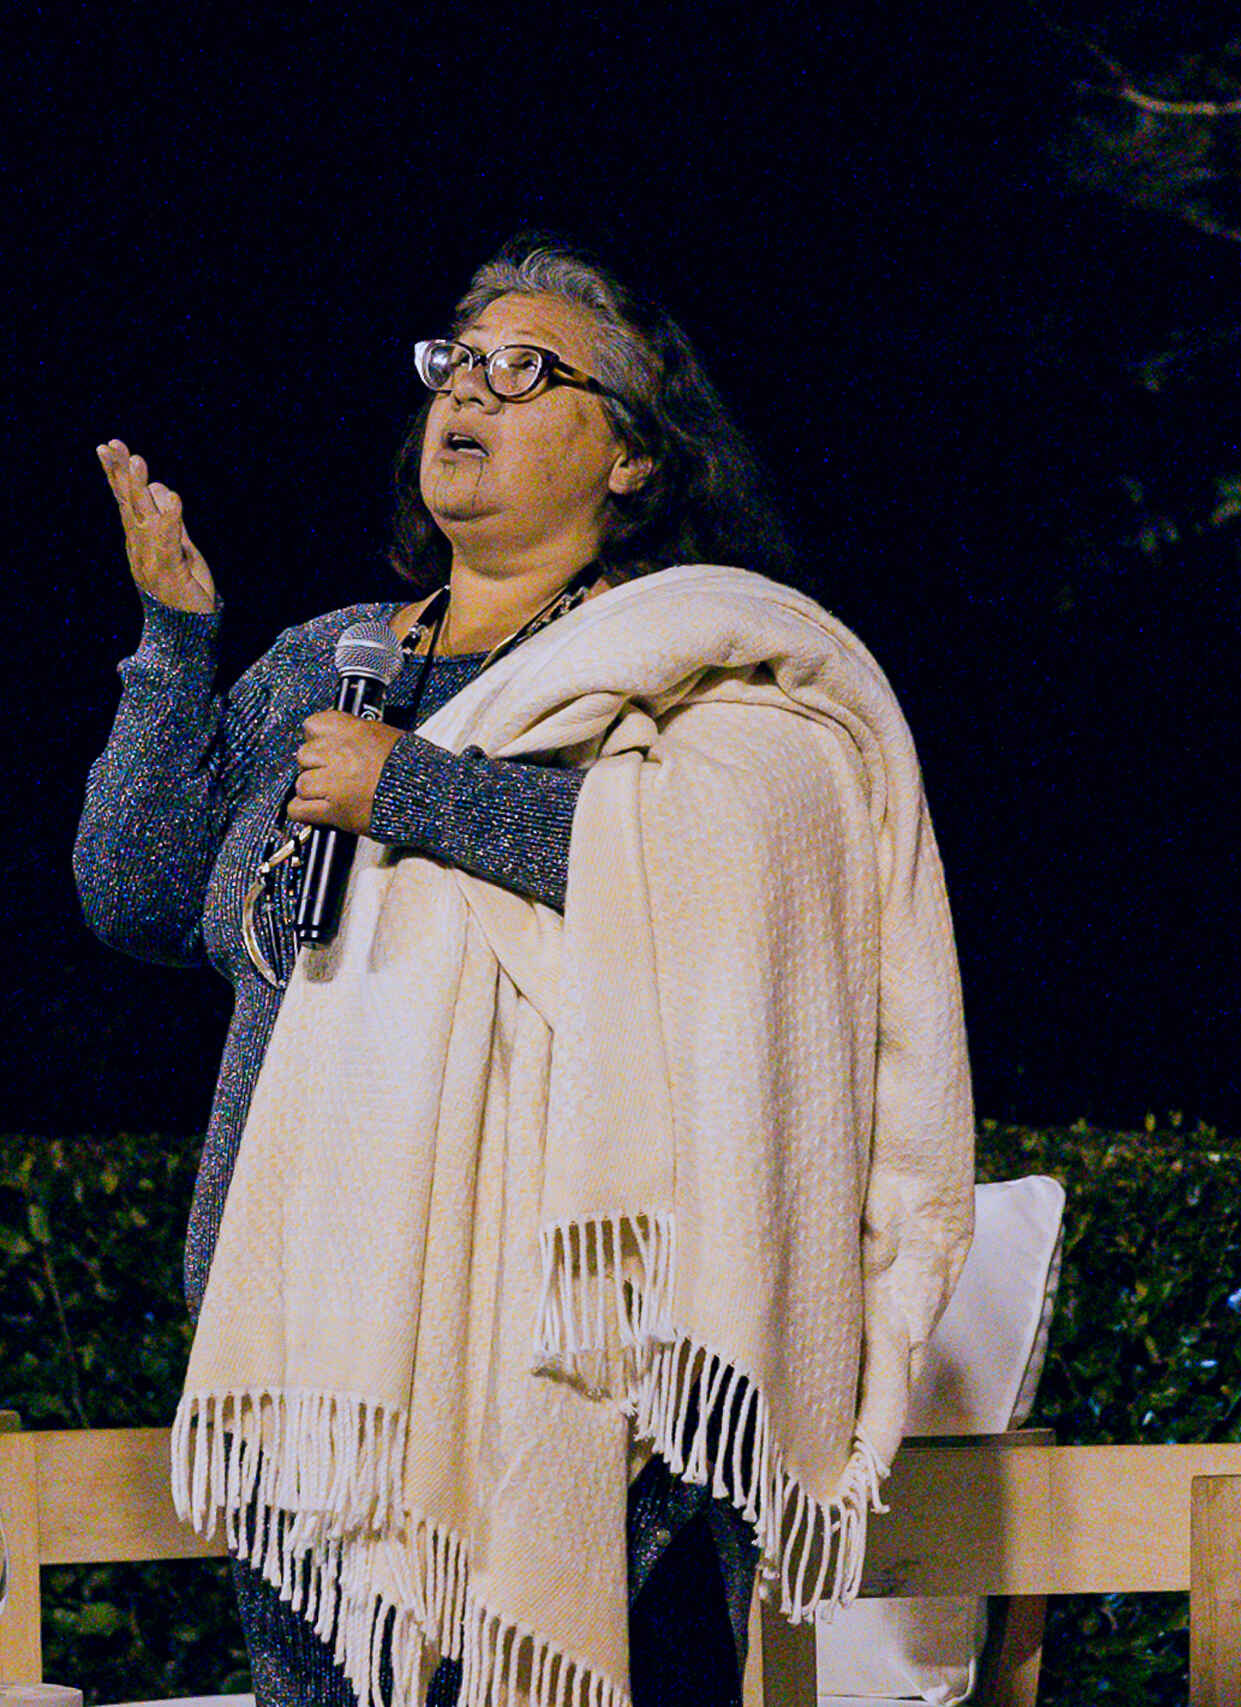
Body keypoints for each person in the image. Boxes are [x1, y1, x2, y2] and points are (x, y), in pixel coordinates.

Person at [75, 236, 977, 1707]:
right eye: (455, 360)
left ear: (633, 455)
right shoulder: (332, 659)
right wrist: (176, 639)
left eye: (527, 368)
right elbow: (139, 890)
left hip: (587, 1383)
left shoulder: (701, 668)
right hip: (313, 1360)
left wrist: (415, 796)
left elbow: (738, 884)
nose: (467, 392)